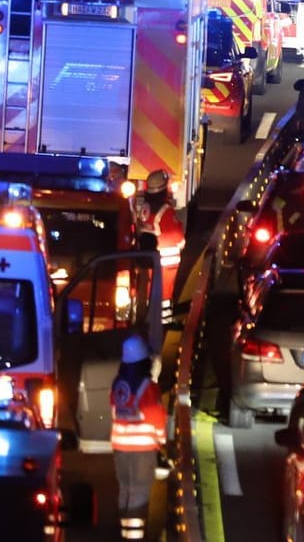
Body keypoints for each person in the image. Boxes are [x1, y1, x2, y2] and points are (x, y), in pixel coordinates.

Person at [109, 335, 165, 542]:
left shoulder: (118, 384)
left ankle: (125, 534)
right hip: (142, 450)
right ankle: (134, 538)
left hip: (120, 447)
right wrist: (162, 441)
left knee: (125, 489)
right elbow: (156, 417)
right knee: (140, 493)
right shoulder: (147, 386)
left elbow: (115, 410)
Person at [138, 169, 185, 318]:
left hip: (149, 259)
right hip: (166, 264)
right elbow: (177, 237)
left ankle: (150, 320)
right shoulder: (166, 210)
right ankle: (163, 326)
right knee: (164, 296)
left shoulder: (145, 208)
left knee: (151, 293)